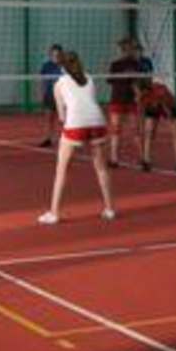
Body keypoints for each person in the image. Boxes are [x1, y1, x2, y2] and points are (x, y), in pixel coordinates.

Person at [38, 51, 116, 225]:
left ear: (62, 66)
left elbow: (61, 116)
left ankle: (54, 213)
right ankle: (109, 209)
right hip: (98, 122)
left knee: (62, 170)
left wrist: (70, 130)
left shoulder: (59, 83)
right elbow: (90, 102)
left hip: (76, 124)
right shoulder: (89, 78)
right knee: (101, 168)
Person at [105, 38, 142, 165]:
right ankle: (114, 158)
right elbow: (109, 80)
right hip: (117, 99)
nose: (128, 51)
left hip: (130, 101)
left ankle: (142, 157)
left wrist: (138, 93)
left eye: (130, 48)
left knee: (135, 129)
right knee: (116, 129)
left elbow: (137, 82)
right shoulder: (115, 65)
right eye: (125, 48)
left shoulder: (136, 64)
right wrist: (123, 77)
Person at [139, 78, 176, 172]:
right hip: (152, 106)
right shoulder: (142, 97)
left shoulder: (161, 91)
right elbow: (142, 111)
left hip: (167, 105)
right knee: (149, 132)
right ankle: (146, 160)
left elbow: (167, 108)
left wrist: (170, 116)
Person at [37, 44, 66, 147]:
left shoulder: (65, 65)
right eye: (54, 55)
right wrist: (40, 93)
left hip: (62, 96)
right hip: (49, 95)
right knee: (49, 118)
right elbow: (41, 80)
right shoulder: (46, 65)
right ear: (50, 55)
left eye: (58, 55)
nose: (56, 57)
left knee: (63, 118)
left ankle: (65, 138)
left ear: (61, 54)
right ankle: (48, 138)